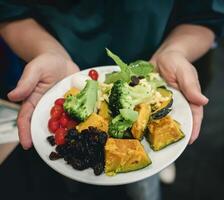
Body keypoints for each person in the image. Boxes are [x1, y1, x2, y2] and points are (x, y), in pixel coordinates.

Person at [0, 1, 224, 200]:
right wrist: (46, 51)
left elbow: (204, 16)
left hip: (155, 68)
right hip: (64, 71)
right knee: (69, 180)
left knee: (146, 185)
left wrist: (176, 51)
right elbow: (10, 11)